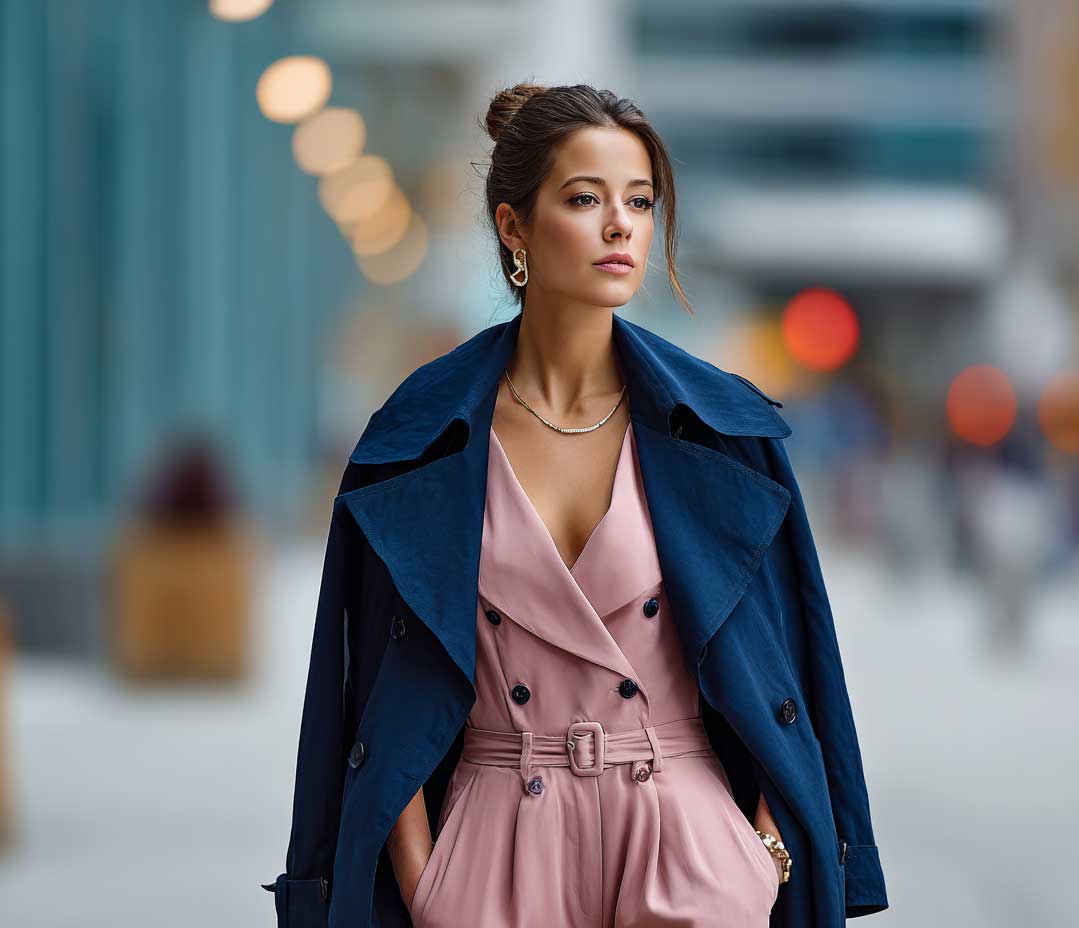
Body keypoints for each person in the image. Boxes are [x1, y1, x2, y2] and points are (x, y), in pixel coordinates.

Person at [264, 82, 888, 928]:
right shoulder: (419, 436)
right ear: (513, 227)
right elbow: (360, 676)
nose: (620, 225)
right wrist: (423, 874)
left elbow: (796, 662)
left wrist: (765, 852)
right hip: (495, 850)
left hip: (689, 847)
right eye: (584, 198)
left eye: (638, 200)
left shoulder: (724, 427)